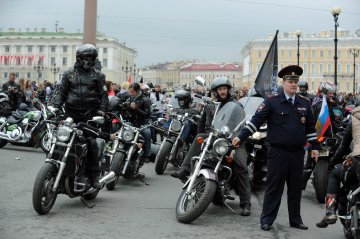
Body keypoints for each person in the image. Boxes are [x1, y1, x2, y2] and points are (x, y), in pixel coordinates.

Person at [232, 65, 320, 231]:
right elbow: (256, 122)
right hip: (278, 153)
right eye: (290, 81)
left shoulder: (304, 103)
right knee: (274, 188)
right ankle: (266, 220)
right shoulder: (272, 102)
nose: (294, 84)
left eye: (296, 81)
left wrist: (314, 146)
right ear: (284, 82)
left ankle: (296, 220)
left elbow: (310, 128)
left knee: (295, 189)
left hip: (297, 153)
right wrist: (240, 136)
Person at [171, 76, 252, 216]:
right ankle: (184, 170)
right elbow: (202, 125)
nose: (222, 91)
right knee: (199, 138)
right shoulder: (211, 105)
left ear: (228, 89)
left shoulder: (236, 105)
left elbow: (240, 125)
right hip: (214, 138)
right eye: (220, 89)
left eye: (224, 89)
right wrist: (203, 138)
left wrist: (235, 140)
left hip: (233, 141)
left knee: (240, 166)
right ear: (215, 91)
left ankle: (246, 204)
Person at [52, 43, 109, 189]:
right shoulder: (69, 73)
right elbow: (61, 93)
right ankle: (55, 168)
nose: (89, 60)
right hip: (71, 112)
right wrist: (56, 108)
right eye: (86, 57)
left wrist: (101, 111)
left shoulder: (98, 75)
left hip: (90, 115)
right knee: (60, 139)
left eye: (91, 57)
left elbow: (103, 96)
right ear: (79, 57)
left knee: (91, 142)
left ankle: (93, 175)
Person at [316, 96, 360, 228]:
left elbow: (343, 146)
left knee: (335, 174)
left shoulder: (354, 119)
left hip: (357, 161)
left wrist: (332, 162)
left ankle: (330, 211)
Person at [302, 81, 342, 190]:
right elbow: (326, 122)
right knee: (311, 160)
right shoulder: (322, 105)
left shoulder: (317, 101)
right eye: (330, 93)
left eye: (333, 93)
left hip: (317, 135)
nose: (332, 95)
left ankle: (301, 183)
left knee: (309, 162)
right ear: (324, 92)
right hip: (322, 135)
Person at [125, 82, 153, 162]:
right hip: (132, 122)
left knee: (147, 133)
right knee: (124, 127)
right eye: (130, 92)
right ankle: (123, 149)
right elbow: (126, 112)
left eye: (132, 92)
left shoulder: (145, 99)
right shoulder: (129, 98)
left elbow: (148, 114)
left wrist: (136, 109)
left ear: (137, 91)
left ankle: (148, 154)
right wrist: (125, 108)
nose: (131, 93)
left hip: (143, 123)